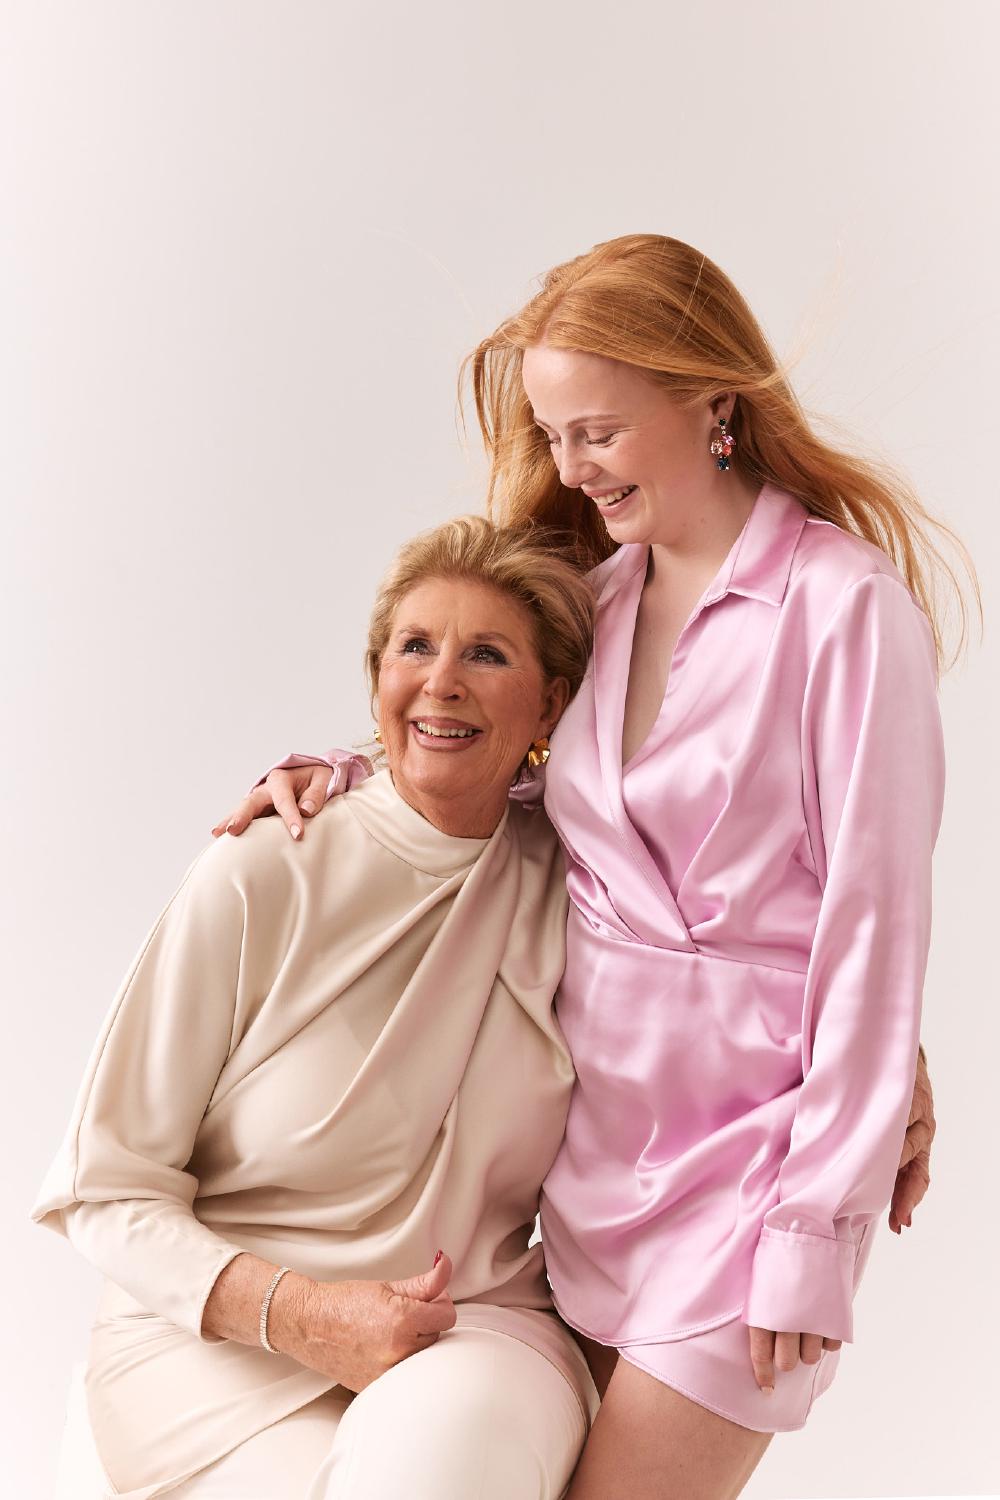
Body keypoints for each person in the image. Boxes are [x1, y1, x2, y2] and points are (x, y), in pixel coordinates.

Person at [217, 235, 974, 1499]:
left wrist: (811, 1222)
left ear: (711, 401)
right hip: (581, 1158)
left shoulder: (844, 611)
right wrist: (345, 774)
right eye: (555, 435)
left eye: (600, 432)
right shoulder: (598, 601)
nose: (570, 468)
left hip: (753, 1177)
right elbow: (518, 781)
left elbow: (873, 933)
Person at [31, 517, 603, 1499]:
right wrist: (300, 1315)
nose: (442, 681)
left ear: (549, 701)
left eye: (487, 654)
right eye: (414, 647)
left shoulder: (586, 890)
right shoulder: (264, 869)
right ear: (377, 680)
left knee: (441, 1460)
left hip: (472, 1322)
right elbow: (105, 1188)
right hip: (220, 1343)